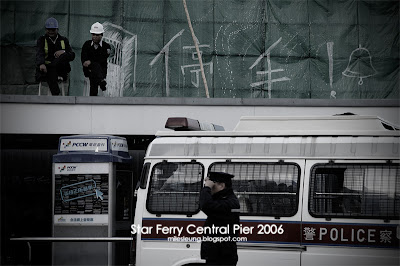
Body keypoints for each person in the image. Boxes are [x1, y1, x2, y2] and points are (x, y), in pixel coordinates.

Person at [199, 171, 240, 266]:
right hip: (217, 254)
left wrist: (207, 187)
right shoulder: (223, 199)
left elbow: (206, 205)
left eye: (214, 184)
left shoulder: (230, 202)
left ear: (221, 186)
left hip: (222, 256)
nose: (211, 187)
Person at [36, 17, 75, 95]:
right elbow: (39, 52)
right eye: (48, 29)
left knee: (63, 57)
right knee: (50, 72)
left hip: (60, 69)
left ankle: (56, 94)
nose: (51, 31)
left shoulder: (64, 40)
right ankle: (56, 94)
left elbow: (72, 55)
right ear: (46, 29)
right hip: (47, 69)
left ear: (57, 29)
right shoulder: (42, 40)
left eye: (53, 29)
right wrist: (41, 63)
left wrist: (63, 52)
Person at [81, 22, 111, 96]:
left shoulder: (106, 46)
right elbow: (84, 59)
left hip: (100, 71)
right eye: (93, 34)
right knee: (95, 68)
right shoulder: (87, 44)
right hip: (88, 70)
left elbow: (102, 59)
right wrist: (89, 63)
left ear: (101, 35)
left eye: (97, 35)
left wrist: (90, 62)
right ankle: (101, 81)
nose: (94, 37)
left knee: (95, 71)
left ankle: (93, 98)